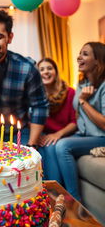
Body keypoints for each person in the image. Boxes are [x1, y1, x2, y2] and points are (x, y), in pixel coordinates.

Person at [0, 9, 48, 146]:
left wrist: (31, 146)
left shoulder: (27, 68)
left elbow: (39, 107)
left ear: (10, 37)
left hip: (17, 132)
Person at [55, 42, 105, 200]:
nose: (78, 57)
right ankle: (57, 196)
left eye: (85, 54)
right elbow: (78, 116)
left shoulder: (104, 86)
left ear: (98, 60)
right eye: (80, 53)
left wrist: (84, 101)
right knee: (55, 144)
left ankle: (75, 202)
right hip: (84, 134)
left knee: (63, 146)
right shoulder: (82, 84)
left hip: (101, 137)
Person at [37, 58, 77, 183]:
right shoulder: (36, 94)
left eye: (49, 68)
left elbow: (74, 122)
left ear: (56, 72)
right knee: (44, 149)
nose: (46, 72)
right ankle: (51, 192)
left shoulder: (70, 92)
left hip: (65, 134)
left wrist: (58, 134)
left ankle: (60, 192)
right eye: (41, 69)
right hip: (46, 134)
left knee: (53, 146)